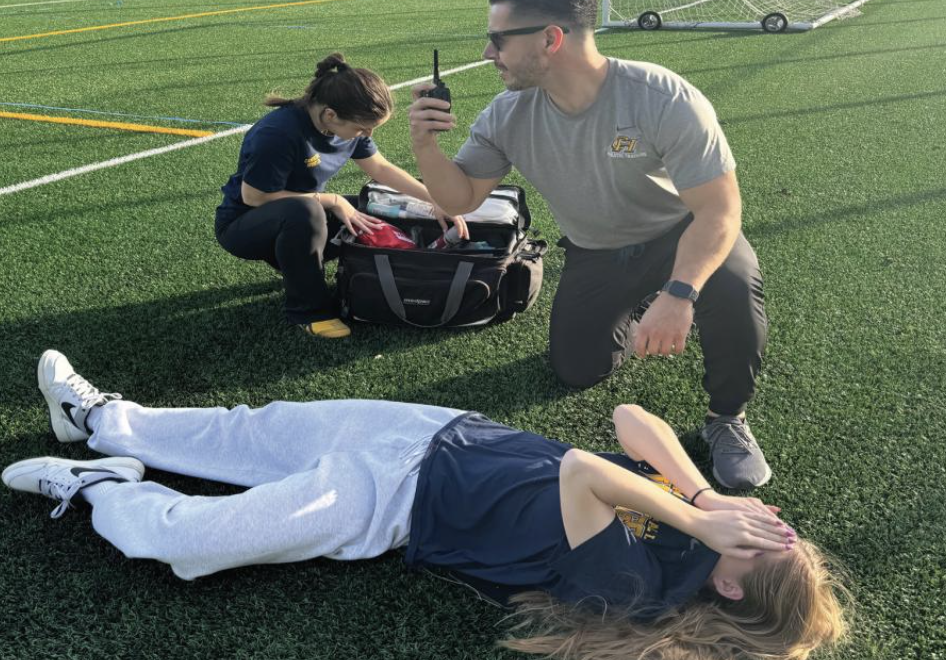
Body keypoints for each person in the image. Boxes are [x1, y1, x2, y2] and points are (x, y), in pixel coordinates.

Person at [4, 350, 848, 660]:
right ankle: (97, 420)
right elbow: (631, 418)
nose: (768, 524)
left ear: (730, 586)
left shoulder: (638, 587)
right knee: (243, 432)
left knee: (190, 544)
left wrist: (696, 518)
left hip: (391, 499)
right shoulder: (700, 522)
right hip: (436, 430)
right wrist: (702, 494)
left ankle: (99, 486)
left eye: (767, 543)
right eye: (784, 529)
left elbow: (583, 471)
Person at [408, 0, 770, 490]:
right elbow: (460, 198)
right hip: (596, 251)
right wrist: (425, 146)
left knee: (733, 287)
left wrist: (680, 293)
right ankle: (638, 305)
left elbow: (719, 212)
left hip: (680, 236)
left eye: (498, 39)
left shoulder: (661, 97)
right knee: (577, 369)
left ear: (550, 39)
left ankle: (726, 417)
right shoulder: (508, 114)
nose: (488, 52)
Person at [215, 52, 467, 339]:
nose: (367, 134)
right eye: (361, 128)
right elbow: (255, 197)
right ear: (330, 115)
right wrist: (333, 201)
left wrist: (434, 200)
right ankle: (310, 312)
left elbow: (381, 168)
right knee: (306, 212)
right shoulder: (278, 133)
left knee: (374, 206)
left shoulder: (345, 126)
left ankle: (332, 267)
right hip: (246, 226)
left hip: (301, 218)